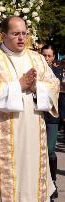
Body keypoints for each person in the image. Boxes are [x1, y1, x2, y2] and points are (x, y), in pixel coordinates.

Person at [0, 16, 60, 202]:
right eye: (16, 34)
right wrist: (19, 85)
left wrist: (36, 88)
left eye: (24, 33)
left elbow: (54, 85)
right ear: (3, 36)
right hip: (4, 132)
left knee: (32, 181)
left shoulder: (37, 58)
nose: (21, 38)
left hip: (33, 131)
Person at [41, 45, 63, 200]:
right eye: (44, 55)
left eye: (49, 56)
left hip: (52, 118)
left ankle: (53, 182)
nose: (46, 59)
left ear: (54, 57)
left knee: (49, 150)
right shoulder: (34, 70)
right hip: (37, 116)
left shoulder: (57, 73)